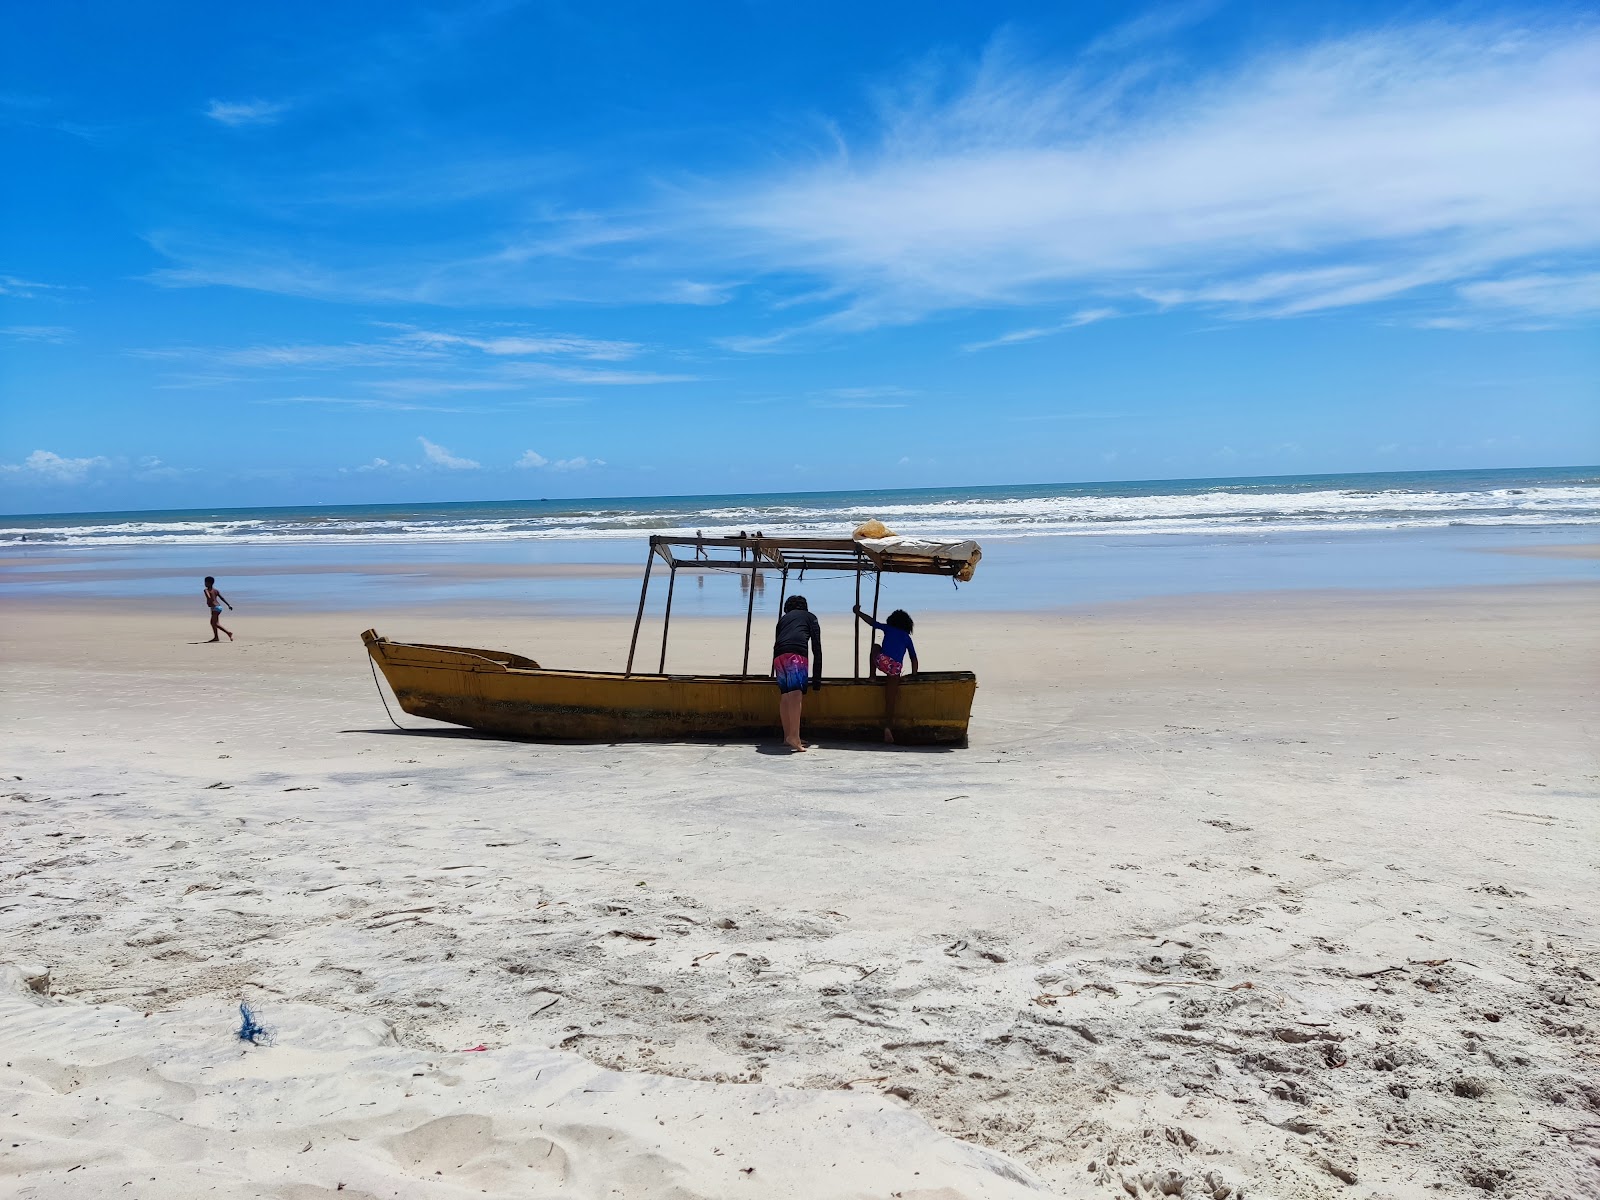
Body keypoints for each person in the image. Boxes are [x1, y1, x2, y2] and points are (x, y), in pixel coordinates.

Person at [853, 606, 918, 742]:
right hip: (895, 669)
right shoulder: (906, 637)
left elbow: (872, 622)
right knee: (890, 701)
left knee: (875, 647)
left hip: (882, 662)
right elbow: (913, 658)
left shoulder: (889, 629)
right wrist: (914, 675)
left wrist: (858, 612)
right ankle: (888, 727)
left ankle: (872, 675)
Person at [772, 594, 822, 752]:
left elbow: (777, 641)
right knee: (795, 695)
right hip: (796, 654)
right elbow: (816, 647)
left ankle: (788, 735)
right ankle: (794, 736)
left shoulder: (783, 620)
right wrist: (817, 681)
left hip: (779, 655)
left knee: (786, 696)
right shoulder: (810, 617)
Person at [203, 576, 234, 642]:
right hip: (218, 607)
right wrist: (228, 605)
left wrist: (209, 601)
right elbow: (222, 598)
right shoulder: (216, 590)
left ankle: (228, 633)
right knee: (213, 623)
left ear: (209, 583)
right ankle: (216, 637)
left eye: (205, 582)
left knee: (215, 624)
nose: (204, 584)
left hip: (214, 607)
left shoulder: (206, 590)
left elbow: (209, 597)